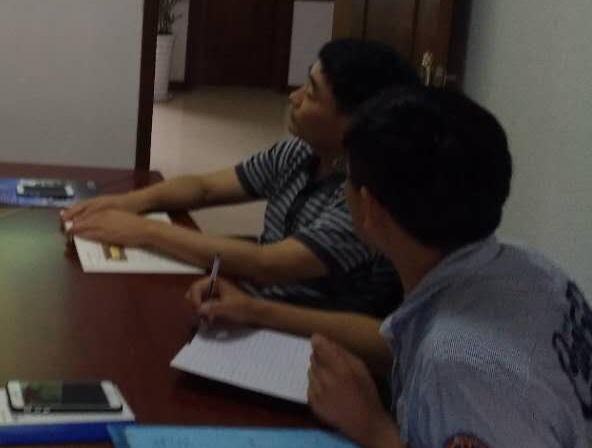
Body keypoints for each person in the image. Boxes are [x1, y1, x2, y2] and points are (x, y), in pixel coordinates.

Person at [308, 87, 591, 448]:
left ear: (370, 207)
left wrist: (370, 426)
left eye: (345, 177)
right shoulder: (530, 267)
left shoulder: (459, 364)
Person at [62, 38, 418, 316]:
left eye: (311, 93)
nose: (294, 98)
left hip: (305, 337)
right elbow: (205, 188)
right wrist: (126, 203)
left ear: (354, 120)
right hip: (252, 303)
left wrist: (145, 230)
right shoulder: (301, 151)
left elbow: (267, 264)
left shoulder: (363, 196)